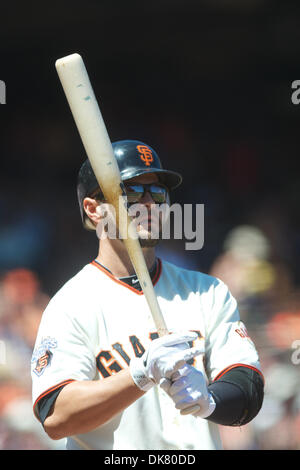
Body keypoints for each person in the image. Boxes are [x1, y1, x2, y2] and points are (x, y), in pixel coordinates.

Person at [31, 140, 264, 450]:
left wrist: (210, 400)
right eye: (130, 192)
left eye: (156, 192)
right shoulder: (70, 304)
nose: (149, 204)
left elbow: (247, 386)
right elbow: (56, 417)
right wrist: (139, 375)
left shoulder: (206, 291)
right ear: (93, 209)